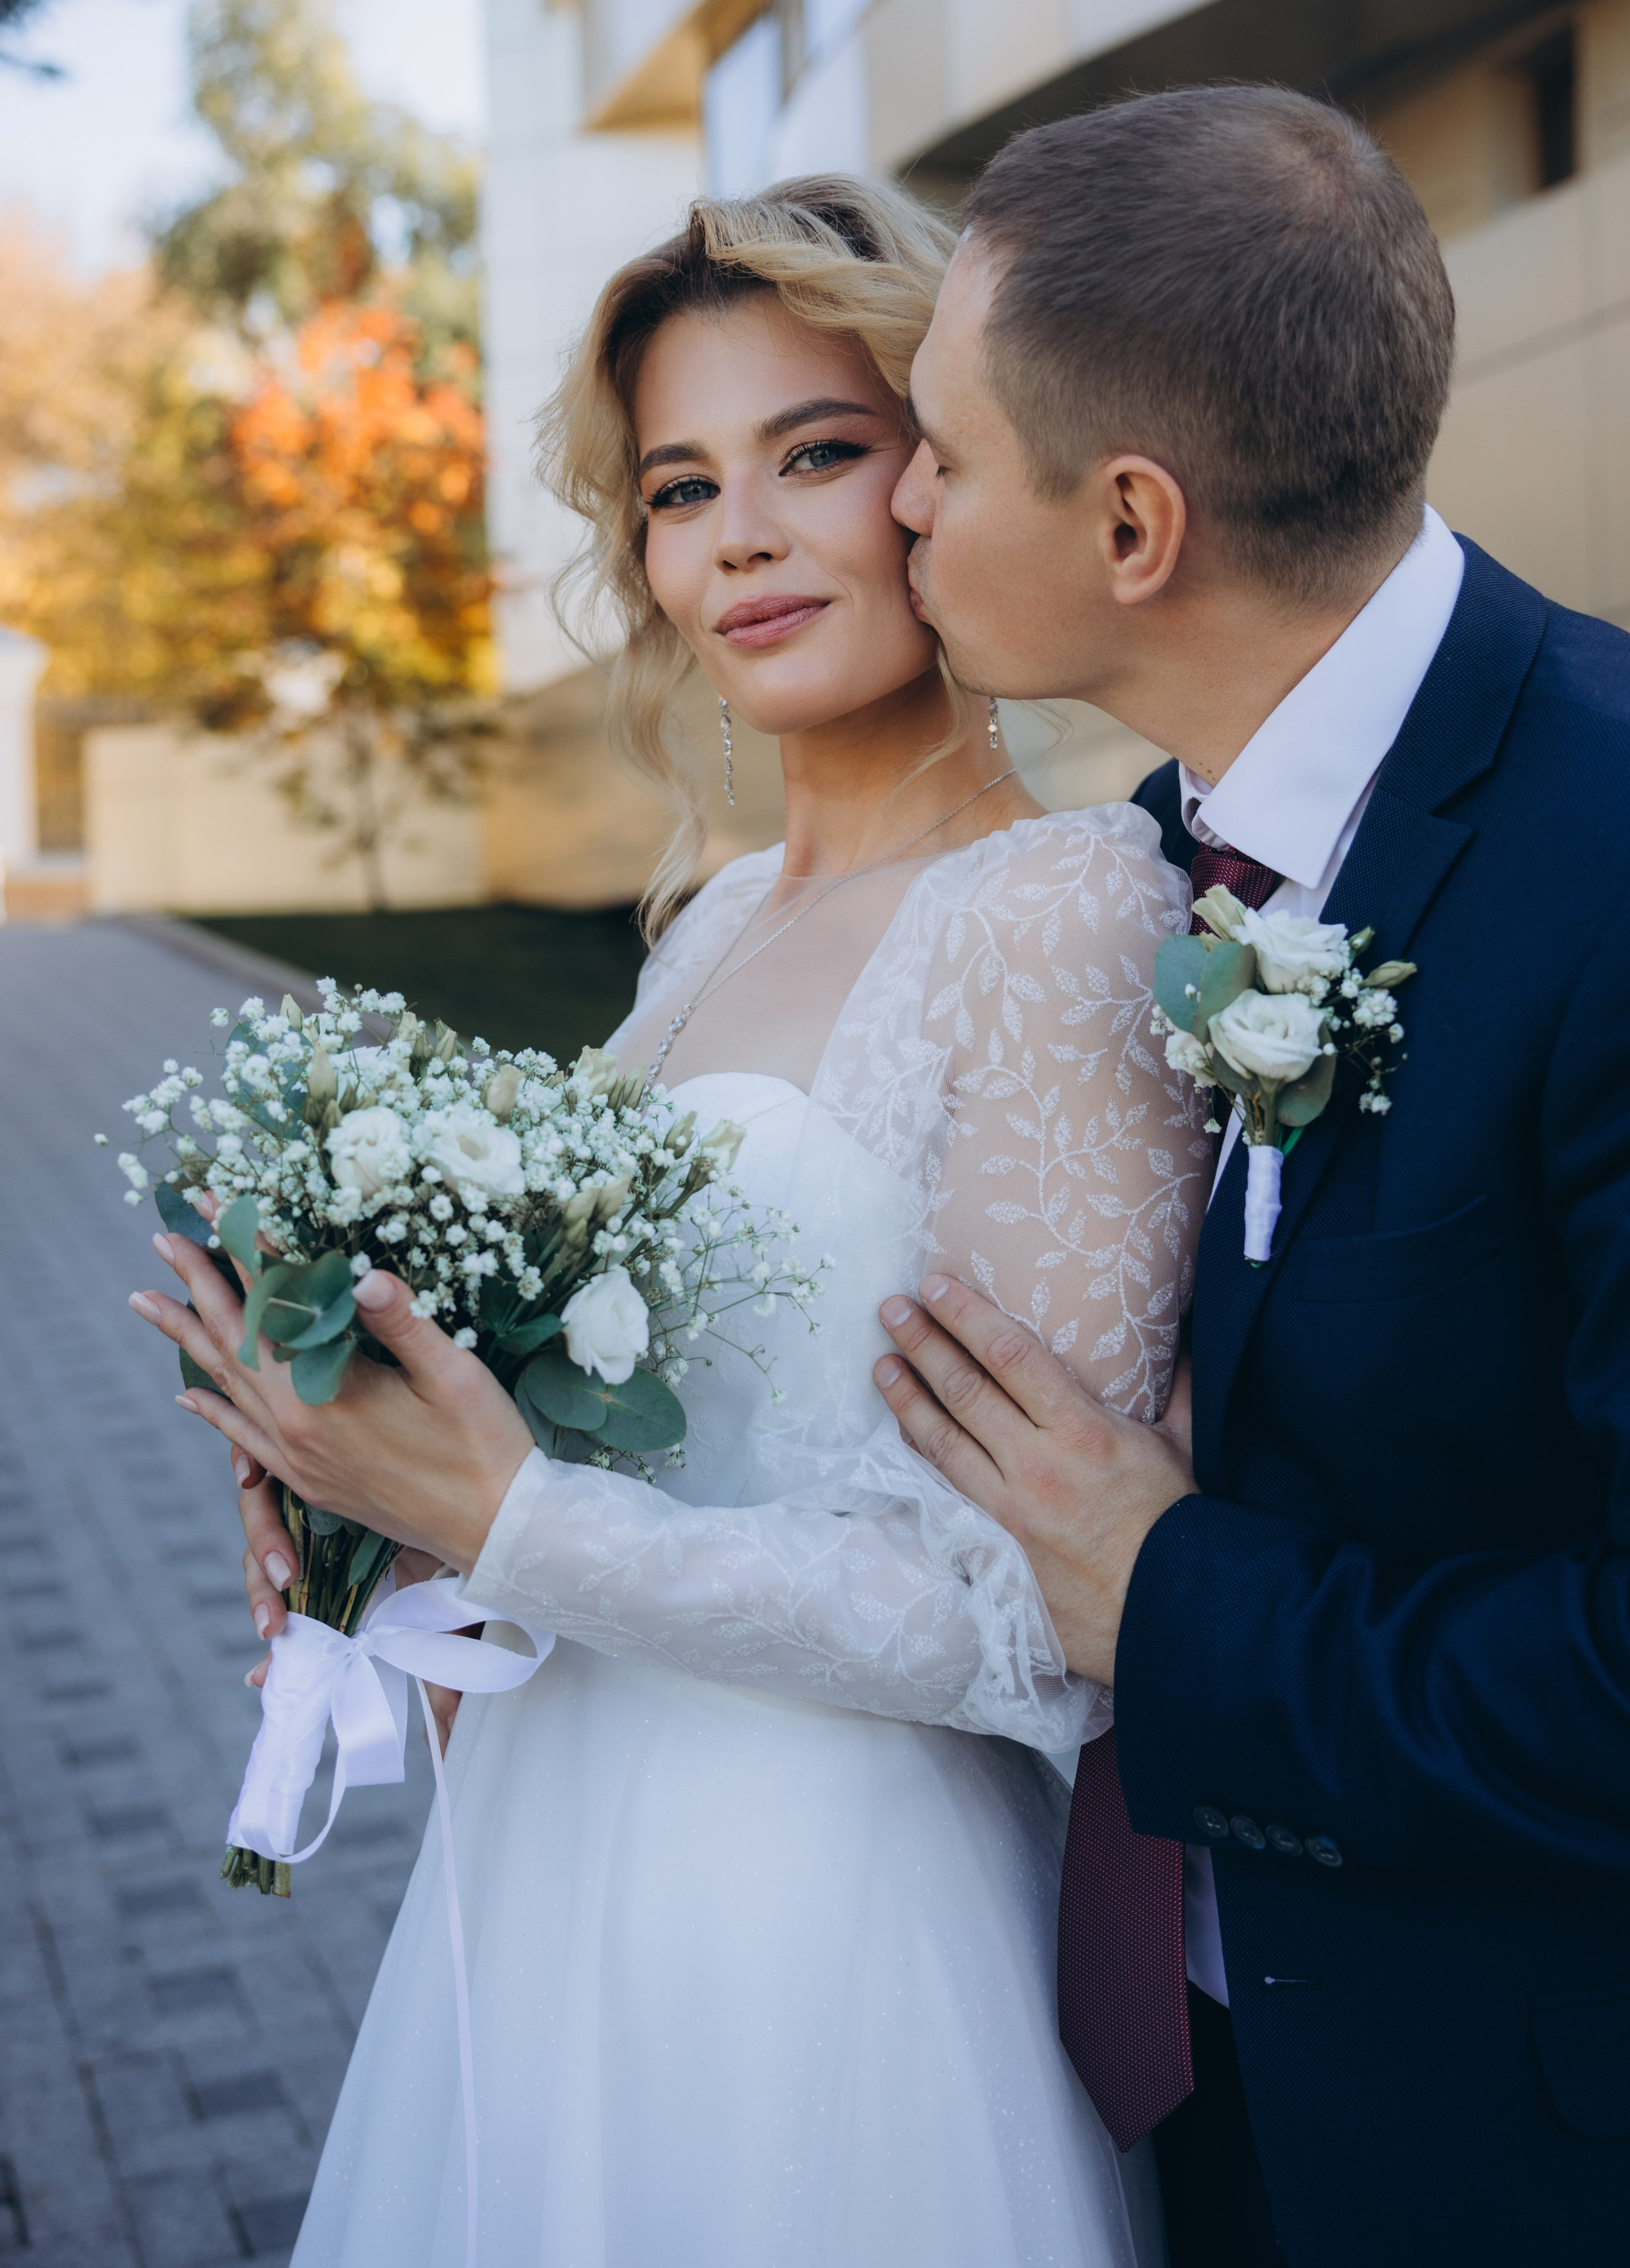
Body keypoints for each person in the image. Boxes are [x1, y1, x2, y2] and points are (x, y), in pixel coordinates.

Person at [129, 177, 1208, 2268]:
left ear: (945, 471)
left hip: (833, 1914)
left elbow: (1026, 1614)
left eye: (820, 452)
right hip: (561, 1851)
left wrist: (517, 1515)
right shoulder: (711, 917)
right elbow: (630, 1428)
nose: (744, 535)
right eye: (682, 483)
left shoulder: (1066, 911)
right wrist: (383, 1518)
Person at [865, 86, 1630, 2267]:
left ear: (1134, 525)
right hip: (1184, 2092)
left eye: (939, 448)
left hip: (1523, 2160)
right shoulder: (1147, 861)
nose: (902, 507)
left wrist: (1181, 1598)